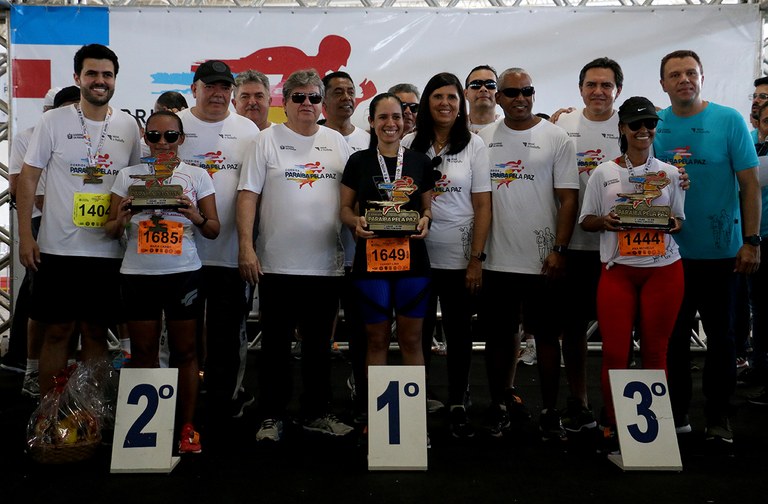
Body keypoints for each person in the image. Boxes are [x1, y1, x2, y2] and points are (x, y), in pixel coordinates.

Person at [17, 44, 142, 396]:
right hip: (57, 248)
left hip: (106, 250)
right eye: (92, 74)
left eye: (107, 75)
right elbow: (27, 178)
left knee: (96, 332)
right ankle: (50, 418)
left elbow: (132, 181)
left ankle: (90, 416)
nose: (99, 81)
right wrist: (26, 236)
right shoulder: (53, 121)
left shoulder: (129, 125)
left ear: (115, 80)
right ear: (77, 78)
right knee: (58, 331)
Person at [237, 69, 354, 442]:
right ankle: (272, 415)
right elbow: (247, 196)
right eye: (298, 97)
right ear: (283, 102)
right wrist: (245, 246)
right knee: (274, 348)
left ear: (322, 103)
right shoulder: (265, 141)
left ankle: (317, 412)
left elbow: (354, 198)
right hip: (275, 265)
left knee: (319, 348)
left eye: (314, 98)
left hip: (326, 265)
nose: (307, 104)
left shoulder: (337, 141)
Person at [654, 50, 760, 443]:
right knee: (674, 338)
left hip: (722, 255)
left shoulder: (728, 120)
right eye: (675, 74)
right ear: (662, 83)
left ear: (702, 77)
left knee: (723, 339)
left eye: (691, 73)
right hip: (668, 255)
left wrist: (751, 241)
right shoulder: (654, 125)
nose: (684, 79)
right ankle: (677, 414)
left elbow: (749, 186)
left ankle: (718, 416)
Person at [105, 110, 220, 454]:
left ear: (181, 139)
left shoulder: (197, 175)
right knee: (143, 353)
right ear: (146, 138)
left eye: (170, 137)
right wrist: (123, 216)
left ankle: (187, 427)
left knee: (186, 351)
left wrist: (193, 215)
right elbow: (110, 230)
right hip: (139, 274)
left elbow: (213, 229)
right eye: (154, 136)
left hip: (183, 273)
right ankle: (149, 432)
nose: (162, 144)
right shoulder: (128, 175)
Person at [478, 67, 578, 440]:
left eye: (527, 91)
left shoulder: (556, 137)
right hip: (497, 257)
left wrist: (560, 250)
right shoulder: (482, 138)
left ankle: (551, 411)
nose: (520, 99)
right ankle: (500, 405)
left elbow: (569, 199)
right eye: (512, 93)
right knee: (499, 338)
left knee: (548, 337)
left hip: (543, 260)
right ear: (498, 97)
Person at [579, 96, 685, 445]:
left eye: (650, 124)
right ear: (622, 128)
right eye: (636, 125)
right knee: (614, 350)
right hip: (618, 270)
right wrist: (606, 221)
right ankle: (613, 422)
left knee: (656, 350)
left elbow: (679, 221)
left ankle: (652, 434)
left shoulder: (669, 173)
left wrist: (671, 224)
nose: (644, 131)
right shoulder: (604, 172)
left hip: (663, 270)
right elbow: (587, 219)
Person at [402, 72, 492, 439]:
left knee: (458, 333)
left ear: (461, 104)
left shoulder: (474, 145)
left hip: (459, 257)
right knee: (415, 333)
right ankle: (415, 397)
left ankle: (458, 399)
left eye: (452, 97)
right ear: (426, 102)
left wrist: (476, 259)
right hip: (415, 255)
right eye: (438, 96)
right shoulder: (409, 142)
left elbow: (483, 206)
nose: (445, 103)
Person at [177, 60, 260, 423]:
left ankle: (226, 402)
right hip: (178, 253)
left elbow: (255, 192)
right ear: (194, 88)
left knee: (228, 336)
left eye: (224, 87)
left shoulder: (248, 130)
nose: (218, 93)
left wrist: (248, 245)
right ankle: (180, 404)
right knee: (182, 337)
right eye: (210, 86)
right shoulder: (174, 125)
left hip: (230, 253)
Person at [339, 91, 433, 402]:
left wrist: (425, 221)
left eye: (396, 117)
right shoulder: (358, 161)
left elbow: (427, 209)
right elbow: (345, 210)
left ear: (405, 121)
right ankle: (374, 418)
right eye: (382, 117)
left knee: (412, 340)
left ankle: (413, 419)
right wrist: (356, 223)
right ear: (371, 122)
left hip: (413, 262)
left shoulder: (420, 162)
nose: (390, 123)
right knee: (375, 341)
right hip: (371, 263)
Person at [550, 57, 624, 433]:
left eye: (606, 85)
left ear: (618, 91)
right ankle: (578, 401)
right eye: (591, 85)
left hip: (621, 249)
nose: (598, 91)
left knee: (619, 329)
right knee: (573, 328)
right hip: (574, 246)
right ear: (580, 89)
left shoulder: (630, 125)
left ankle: (618, 404)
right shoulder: (561, 124)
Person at [5, 86, 81, 398]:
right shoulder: (29, 135)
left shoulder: (98, 135)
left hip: (87, 232)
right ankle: (32, 369)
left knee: (86, 313)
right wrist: (27, 234)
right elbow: (17, 183)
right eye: (61, 109)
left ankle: (86, 385)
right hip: (45, 224)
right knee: (38, 302)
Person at [322, 71, 371, 422]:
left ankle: (363, 395)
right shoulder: (310, 135)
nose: (345, 97)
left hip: (362, 254)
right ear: (323, 99)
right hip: (319, 254)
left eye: (350, 92)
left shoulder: (369, 140)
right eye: (337, 92)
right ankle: (320, 401)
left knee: (362, 330)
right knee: (318, 333)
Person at [464, 65, 500, 133]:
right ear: (466, 94)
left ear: (498, 94)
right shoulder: (452, 128)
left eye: (490, 84)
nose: (483, 89)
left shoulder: (510, 126)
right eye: (476, 84)